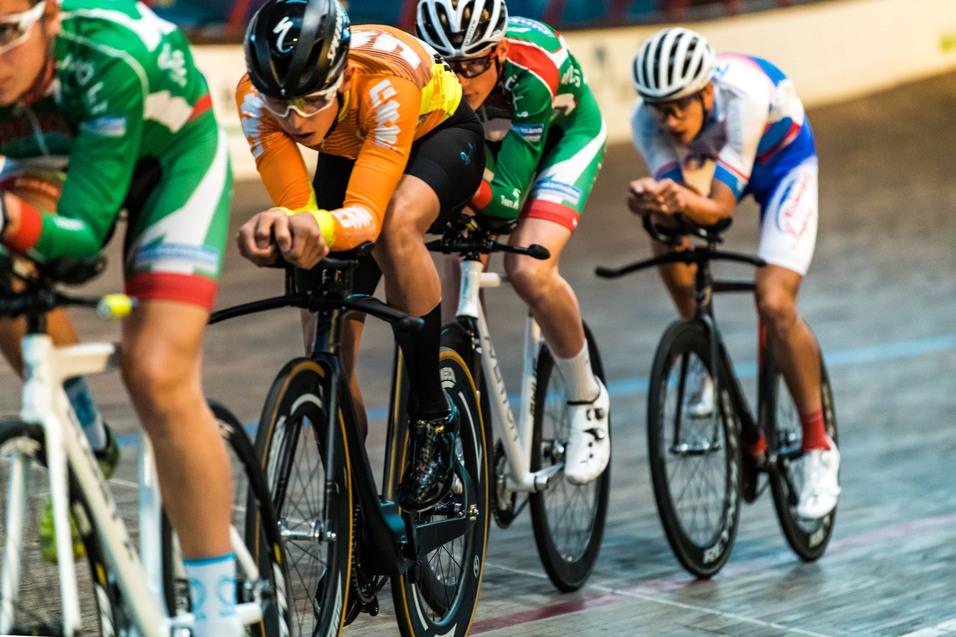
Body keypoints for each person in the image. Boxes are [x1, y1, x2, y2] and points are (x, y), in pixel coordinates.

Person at [0, 0, 239, 633]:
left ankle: (216, 612)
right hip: (51, 154)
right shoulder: (18, 66)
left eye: (5, 35)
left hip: (169, 159)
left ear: (49, 20)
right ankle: (84, 433)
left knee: (156, 373)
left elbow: (81, 235)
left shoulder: (109, 59)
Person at [235, 0, 485, 511]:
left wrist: (307, 227)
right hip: (347, 148)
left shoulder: (384, 85)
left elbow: (364, 219)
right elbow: (300, 211)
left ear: (343, 76)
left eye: (309, 101)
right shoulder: (256, 99)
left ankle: (432, 416)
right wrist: (275, 234)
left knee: (395, 226)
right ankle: (356, 523)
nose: (294, 120)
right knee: (323, 343)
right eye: (280, 105)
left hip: (437, 135)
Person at [628, 27, 839, 519]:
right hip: (717, 163)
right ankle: (702, 341)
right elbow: (678, 199)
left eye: (680, 106)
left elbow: (719, 211)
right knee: (661, 227)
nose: (671, 120)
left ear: (706, 91)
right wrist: (655, 205)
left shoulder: (743, 91)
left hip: (783, 166)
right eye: (660, 110)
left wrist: (679, 199)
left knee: (774, 301)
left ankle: (818, 446)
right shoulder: (647, 121)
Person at [415, 0, 611, 484]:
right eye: (447, 66)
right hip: (493, 136)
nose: (459, 81)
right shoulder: (422, 73)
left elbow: (504, 202)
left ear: (499, 51)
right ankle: (460, 398)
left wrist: (456, 189)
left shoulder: (532, 71)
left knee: (528, 268)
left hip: (564, 138)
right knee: (461, 264)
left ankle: (587, 399)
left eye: (474, 64)